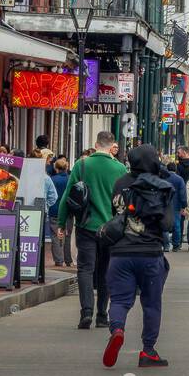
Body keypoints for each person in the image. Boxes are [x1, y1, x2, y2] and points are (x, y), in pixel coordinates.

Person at [102, 144, 173, 369]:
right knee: (151, 303)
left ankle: (118, 329)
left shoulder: (120, 183)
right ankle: (148, 351)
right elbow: (168, 224)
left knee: (120, 300)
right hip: (150, 253)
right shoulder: (161, 186)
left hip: (120, 253)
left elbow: (115, 213)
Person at [62, 130, 126, 329]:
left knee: (85, 268)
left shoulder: (82, 165)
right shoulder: (120, 168)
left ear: (96, 145)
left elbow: (68, 196)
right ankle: (101, 315)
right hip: (110, 228)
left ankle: (86, 311)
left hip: (86, 225)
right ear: (112, 146)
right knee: (106, 270)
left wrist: (62, 222)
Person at [49, 157, 72, 267]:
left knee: (55, 235)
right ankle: (68, 259)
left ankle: (58, 260)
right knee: (67, 235)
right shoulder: (70, 179)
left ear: (56, 168)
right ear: (66, 167)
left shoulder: (52, 179)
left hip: (54, 210)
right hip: (68, 210)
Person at [161, 157, 187, 252]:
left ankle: (166, 245)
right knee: (176, 225)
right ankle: (176, 245)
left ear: (167, 169)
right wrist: (184, 206)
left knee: (165, 225)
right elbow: (182, 194)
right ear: (175, 169)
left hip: (164, 204)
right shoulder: (179, 179)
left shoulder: (163, 178)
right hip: (176, 205)